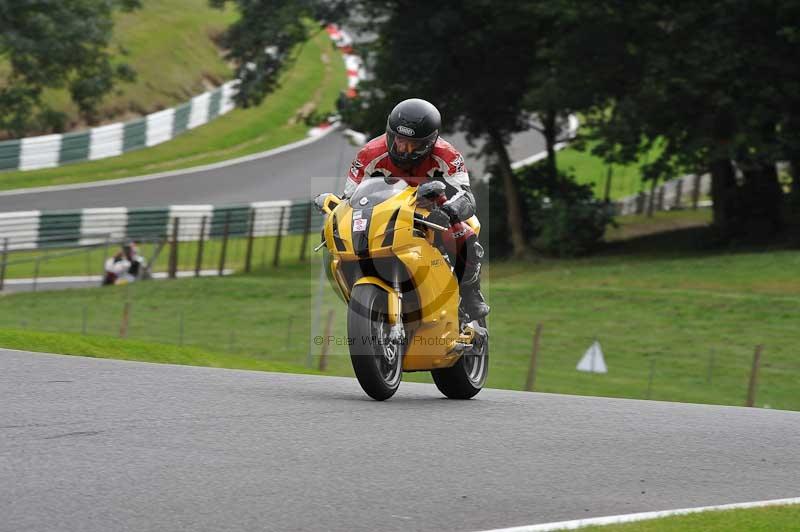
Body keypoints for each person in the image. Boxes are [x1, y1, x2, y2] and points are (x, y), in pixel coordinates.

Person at [343, 98, 490, 319]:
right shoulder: (369, 153)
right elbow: (349, 196)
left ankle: (470, 292)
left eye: (414, 144)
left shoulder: (448, 155)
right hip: (386, 214)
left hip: (433, 212)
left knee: (465, 235)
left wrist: (448, 211)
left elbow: (467, 197)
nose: (404, 149)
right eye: (399, 141)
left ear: (431, 142)